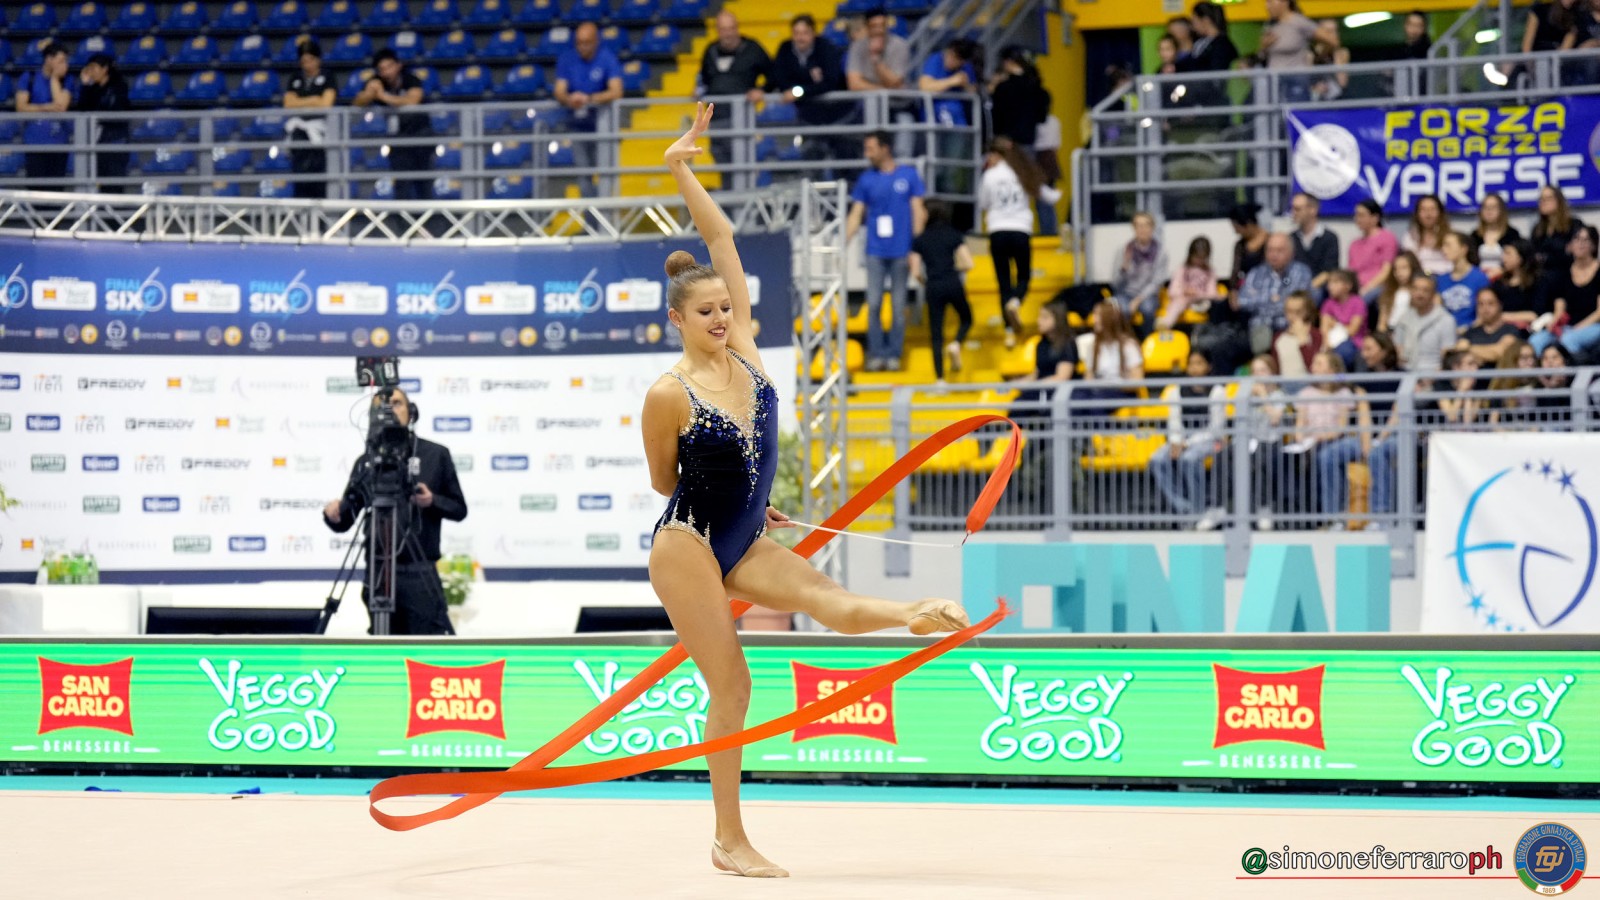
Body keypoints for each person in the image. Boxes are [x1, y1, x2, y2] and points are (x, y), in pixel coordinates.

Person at [644, 103, 968, 879]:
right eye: (707, 312)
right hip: (687, 543)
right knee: (733, 684)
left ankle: (915, 613)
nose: (721, 318)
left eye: (727, 308)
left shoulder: (749, 354)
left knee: (833, 603)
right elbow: (664, 481)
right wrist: (729, 491)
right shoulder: (668, 392)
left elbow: (722, 239)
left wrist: (682, 168)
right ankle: (728, 841)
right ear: (678, 319)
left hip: (744, 532)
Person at [323, 387, 467, 635]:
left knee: (426, 644)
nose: (389, 410)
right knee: (382, 645)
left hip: (419, 571)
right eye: (380, 406)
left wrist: (432, 501)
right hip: (378, 571)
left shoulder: (435, 454)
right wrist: (332, 514)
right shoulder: (367, 462)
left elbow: (459, 509)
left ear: (411, 413)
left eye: (397, 403)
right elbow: (345, 519)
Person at [846, 130, 926, 371]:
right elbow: (856, 214)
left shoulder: (908, 176)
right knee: (874, 304)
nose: (867, 154)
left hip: (901, 250)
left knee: (898, 306)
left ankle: (894, 353)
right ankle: (877, 352)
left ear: (885, 148)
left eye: (871, 148)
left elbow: (918, 212)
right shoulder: (866, 180)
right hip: (875, 251)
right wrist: (842, 244)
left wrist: (916, 248)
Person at [979, 137, 1056, 347]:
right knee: (1023, 276)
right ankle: (1015, 302)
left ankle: (1008, 332)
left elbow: (983, 203)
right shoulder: (1023, 173)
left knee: (1003, 282)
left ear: (997, 155)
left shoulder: (990, 176)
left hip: (997, 231)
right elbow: (1048, 196)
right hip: (1021, 230)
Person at [1149, 349, 1227, 529]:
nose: (1195, 368)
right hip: (1183, 438)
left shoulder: (1217, 391)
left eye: (1199, 363)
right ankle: (1184, 507)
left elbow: (1215, 428)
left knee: (1189, 459)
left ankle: (1198, 510)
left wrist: (1187, 444)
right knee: (1157, 460)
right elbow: (1174, 420)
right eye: (1191, 364)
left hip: (1210, 439)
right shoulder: (1177, 390)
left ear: (1209, 366)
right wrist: (1176, 441)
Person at [768, 14, 851, 167]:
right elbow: (780, 79)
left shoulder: (826, 48)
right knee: (811, 157)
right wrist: (810, 84)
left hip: (838, 114)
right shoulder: (785, 48)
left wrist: (799, 91)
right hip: (808, 116)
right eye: (796, 33)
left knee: (843, 156)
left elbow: (830, 82)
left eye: (805, 33)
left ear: (813, 33)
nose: (800, 38)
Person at [554, 22, 624, 199]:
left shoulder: (606, 58)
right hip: (578, 126)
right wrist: (570, 99)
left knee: (605, 173)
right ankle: (591, 216)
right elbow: (559, 91)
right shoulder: (568, 58)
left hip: (603, 127)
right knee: (583, 175)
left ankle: (605, 215)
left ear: (596, 41)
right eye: (579, 42)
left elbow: (616, 91)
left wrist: (590, 99)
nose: (582, 47)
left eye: (586, 43)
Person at [1293, 350, 1360, 527]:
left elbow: (1342, 427)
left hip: (1337, 440)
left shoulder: (1343, 393)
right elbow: (1300, 422)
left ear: (1331, 370)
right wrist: (1300, 437)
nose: (1313, 367)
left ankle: (1333, 515)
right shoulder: (1305, 393)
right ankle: (1304, 514)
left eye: (1319, 364)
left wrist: (1322, 436)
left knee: (1325, 456)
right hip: (1311, 441)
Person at [698, 11, 770, 175]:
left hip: (743, 118)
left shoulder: (752, 49)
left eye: (731, 28)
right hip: (716, 119)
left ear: (737, 28)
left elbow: (774, 75)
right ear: (717, 30)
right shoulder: (710, 50)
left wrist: (762, 90)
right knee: (722, 163)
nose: (728, 34)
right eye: (723, 29)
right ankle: (729, 192)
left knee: (744, 165)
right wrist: (699, 91)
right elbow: (703, 79)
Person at [909, 198, 973, 381]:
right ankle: (956, 343)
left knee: (936, 334)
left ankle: (940, 379)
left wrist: (926, 282)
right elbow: (968, 263)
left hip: (933, 285)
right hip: (952, 281)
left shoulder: (920, 239)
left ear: (929, 214)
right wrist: (954, 271)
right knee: (967, 319)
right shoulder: (953, 234)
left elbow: (915, 272)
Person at [355, 49, 431, 201]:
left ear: (398, 65)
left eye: (389, 66)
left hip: (421, 136)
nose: (387, 72)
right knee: (402, 184)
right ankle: (403, 216)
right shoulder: (377, 82)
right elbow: (357, 103)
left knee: (424, 184)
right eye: (382, 69)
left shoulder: (410, 79)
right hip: (398, 140)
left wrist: (383, 96)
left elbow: (413, 100)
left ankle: (428, 216)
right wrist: (370, 93)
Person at [847, 9, 913, 157]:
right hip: (867, 107)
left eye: (882, 25)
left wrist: (876, 60)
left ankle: (901, 167)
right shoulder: (858, 47)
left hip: (898, 105)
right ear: (867, 27)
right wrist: (882, 89)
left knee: (905, 126)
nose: (879, 30)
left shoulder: (900, 45)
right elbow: (854, 84)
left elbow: (895, 82)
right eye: (874, 26)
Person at [917, 38, 979, 194]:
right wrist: (951, 81)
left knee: (951, 169)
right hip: (934, 123)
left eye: (957, 60)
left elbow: (972, 92)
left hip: (957, 125)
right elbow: (925, 86)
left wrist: (965, 84)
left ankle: (947, 203)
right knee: (934, 166)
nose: (952, 61)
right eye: (951, 56)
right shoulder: (935, 60)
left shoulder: (966, 67)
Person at [1354, 333, 1403, 525]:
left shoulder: (1403, 376)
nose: (1364, 354)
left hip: (1397, 434)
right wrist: (1367, 442)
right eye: (1363, 349)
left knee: (1378, 453)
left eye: (1369, 349)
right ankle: (1333, 517)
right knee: (1330, 454)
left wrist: (1379, 440)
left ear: (1384, 350)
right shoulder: (1363, 379)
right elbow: (1364, 414)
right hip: (1371, 435)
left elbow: (1397, 414)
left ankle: (1381, 516)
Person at [1532, 223, 1600, 359]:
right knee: (1536, 341)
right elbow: (1560, 308)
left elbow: (1599, 313)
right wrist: (1554, 324)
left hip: (1593, 325)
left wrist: (1577, 329)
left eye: (1585, 240)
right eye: (1576, 239)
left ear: (1593, 245)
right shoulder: (1563, 273)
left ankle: (1576, 370)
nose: (1580, 244)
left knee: (1568, 340)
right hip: (1568, 326)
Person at [1239, 232, 1313, 355]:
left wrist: (1259, 300)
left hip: (1288, 327)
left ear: (1291, 253)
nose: (1274, 255)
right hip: (1258, 327)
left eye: (1279, 250)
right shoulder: (1256, 273)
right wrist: (1273, 299)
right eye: (1270, 250)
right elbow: (1242, 301)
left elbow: (1296, 305)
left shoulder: (1301, 272)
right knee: (1224, 348)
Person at [14, 43, 73, 192]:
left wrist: (54, 79)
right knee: (36, 190)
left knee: (56, 191)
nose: (65, 65)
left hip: (59, 144)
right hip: (35, 143)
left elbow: (60, 107)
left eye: (65, 61)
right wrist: (46, 107)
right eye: (61, 61)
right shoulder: (29, 77)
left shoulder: (67, 80)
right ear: (48, 59)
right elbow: (21, 107)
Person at [285, 40, 335, 200]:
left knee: (318, 177)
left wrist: (300, 102)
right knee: (300, 177)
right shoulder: (296, 78)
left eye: (311, 60)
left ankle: (321, 214)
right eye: (304, 61)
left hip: (321, 135)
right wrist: (314, 100)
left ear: (318, 59)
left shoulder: (327, 76)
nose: (308, 65)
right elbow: (288, 104)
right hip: (299, 135)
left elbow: (326, 104)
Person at [1244, 354, 1289, 530]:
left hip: (1271, 442)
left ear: (1272, 372)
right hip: (1248, 442)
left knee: (1260, 461)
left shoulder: (1279, 395)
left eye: (1262, 370)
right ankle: (1218, 508)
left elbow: (1275, 419)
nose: (1258, 375)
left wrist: (1263, 396)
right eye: (1255, 371)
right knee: (1221, 458)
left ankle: (1264, 509)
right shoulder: (1247, 396)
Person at [74, 53, 130, 194]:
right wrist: (85, 85)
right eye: (89, 68)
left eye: (93, 68)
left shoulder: (119, 87)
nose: (90, 72)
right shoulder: (93, 89)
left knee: (114, 185)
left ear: (105, 69)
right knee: (101, 184)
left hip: (116, 142)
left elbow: (115, 112)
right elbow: (82, 109)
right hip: (99, 143)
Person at [1111, 211, 1168, 338]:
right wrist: (1123, 269)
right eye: (1139, 226)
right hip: (1125, 293)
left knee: (1148, 309)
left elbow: (1157, 282)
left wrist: (1138, 300)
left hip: (1148, 295)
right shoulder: (1124, 250)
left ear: (1152, 228)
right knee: (1122, 310)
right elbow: (1115, 283)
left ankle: (1146, 340)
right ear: (1134, 228)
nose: (1142, 229)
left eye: (1146, 225)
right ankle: (1125, 342)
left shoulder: (1161, 252)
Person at [1257, 0, 1318, 101]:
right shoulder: (1269, 25)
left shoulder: (1299, 21)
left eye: (1270, 2)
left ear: (1284, 2)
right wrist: (1264, 46)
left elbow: (1330, 40)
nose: (1267, 6)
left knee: (1297, 108)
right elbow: (1261, 55)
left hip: (1296, 79)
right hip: (1275, 81)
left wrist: (1316, 56)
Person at [1392, 273, 1453, 371]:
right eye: (1415, 289)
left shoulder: (1446, 320)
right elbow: (1398, 349)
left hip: (1433, 375)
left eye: (1425, 290)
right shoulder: (1404, 318)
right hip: (1405, 373)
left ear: (1433, 294)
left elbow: (1447, 359)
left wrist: (1432, 378)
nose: (1419, 294)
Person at [1435, 231, 1489, 331]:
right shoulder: (1441, 279)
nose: (1443, 249)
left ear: (1463, 249)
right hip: (1445, 331)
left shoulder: (1479, 278)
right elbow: (1437, 311)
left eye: (1448, 245)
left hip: (1473, 331)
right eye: (1443, 245)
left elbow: (1484, 315)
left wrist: (1464, 330)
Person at [1161, 236, 1217, 330]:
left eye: (1202, 258)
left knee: (1210, 304)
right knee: (1179, 302)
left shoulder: (1210, 272)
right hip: (1182, 300)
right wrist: (1184, 291)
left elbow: (1212, 294)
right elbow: (1172, 291)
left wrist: (1197, 294)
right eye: (1197, 257)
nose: (1199, 261)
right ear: (1190, 255)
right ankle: (1165, 324)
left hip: (1201, 303)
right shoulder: (1182, 269)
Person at [1458, 286, 1521, 365]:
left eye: (1490, 303)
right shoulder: (1470, 333)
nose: (1485, 308)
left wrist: (1468, 349)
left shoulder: (1511, 330)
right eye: (1481, 304)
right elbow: (1460, 353)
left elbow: (1500, 352)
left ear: (1500, 305)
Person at [1349, 199, 1398, 300]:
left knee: (1360, 301)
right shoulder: (1354, 244)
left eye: (1361, 215)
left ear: (1375, 218)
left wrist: (1367, 288)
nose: (1357, 219)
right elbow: (1351, 273)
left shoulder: (1387, 238)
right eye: (1356, 215)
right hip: (1357, 287)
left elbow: (1386, 271)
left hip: (1379, 286)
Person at [1290, 192, 1339, 293]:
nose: (1293, 213)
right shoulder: (1291, 238)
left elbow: (1328, 271)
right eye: (1292, 209)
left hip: (1320, 290)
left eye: (1297, 209)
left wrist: (1306, 290)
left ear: (1313, 210)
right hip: (1294, 289)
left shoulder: (1329, 238)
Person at [1492, 239, 1545, 332]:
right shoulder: (1499, 282)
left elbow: (1534, 315)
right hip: (1499, 329)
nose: (1503, 258)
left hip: (1527, 330)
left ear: (1521, 257)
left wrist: (1504, 316)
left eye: (1508, 253)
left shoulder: (1537, 282)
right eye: (1503, 253)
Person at [1530, 184, 1583, 272]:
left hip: (1567, 273)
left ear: (1558, 201)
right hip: (1544, 276)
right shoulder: (1538, 229)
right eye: (1541, 199)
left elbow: (1573, 252)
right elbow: (1534, 256)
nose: (1543, 202)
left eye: (1548, 198)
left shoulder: (1573, 225)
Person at [1488, 339, 1540, 429]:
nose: (1531, 362)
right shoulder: (1502, 388)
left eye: (1532, 357)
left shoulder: (1539, 385)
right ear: (1513, 360)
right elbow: (1493, 423)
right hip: (1507, 435)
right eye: (1524, 358)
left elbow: (1540, 421)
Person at [1319, 269, 1366, 367]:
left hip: (1354, 343)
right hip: (1332, 342)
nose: (1330, 287)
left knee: (1343, 352)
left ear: (1348, 285)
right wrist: (1327, 344)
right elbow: (1324, 328)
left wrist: (1335, 324)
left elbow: (1352, 330)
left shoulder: (1357, 302)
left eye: (1335, 282)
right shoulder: (1328, 303)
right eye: (1329, 283)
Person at [1469, 192, 1521, 278]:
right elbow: (1470, 261)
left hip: (1505, 277)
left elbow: (1517, 260)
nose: (1489, 211)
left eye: (1493, 207)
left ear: (1501, 210)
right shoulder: (1475, 235)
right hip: (1479, 278)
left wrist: (1502, 271)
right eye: (1485, 207)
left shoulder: (1512, 234)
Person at [1273, 290, 1323, 377]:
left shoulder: (1317, 335)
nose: (1292, 316)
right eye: (1289, 311)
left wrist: (1302, 342)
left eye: (1298, 311)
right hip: (1285, 384)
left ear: (1307, 311)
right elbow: (1275, 372)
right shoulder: (1278, 338)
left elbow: (1317, 370)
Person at [1375, 250, 1421, 336]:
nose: (1399, 273)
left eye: (1404, 268)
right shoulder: (1389, 292)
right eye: (1396, 269)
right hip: (1391, 332)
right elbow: (1382, 322)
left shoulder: (1418, 292)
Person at [1404, 195, 1450, 276]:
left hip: (1445, 277)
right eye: (1423, 210)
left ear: (1440, 213)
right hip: (1419, 278)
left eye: (1432, 209)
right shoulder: (1410, 237)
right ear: (1417, 214)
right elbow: (1410, 264)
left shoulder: (1450, 236)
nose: (1428, 214)